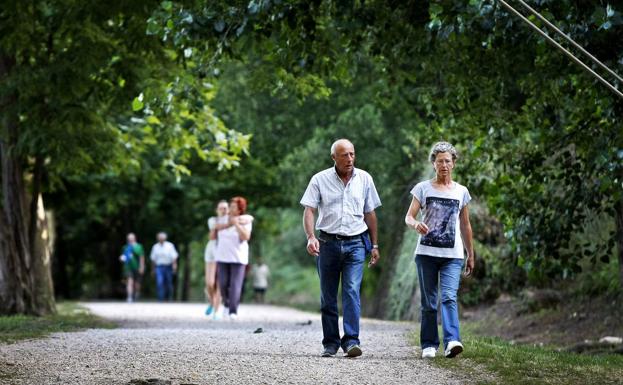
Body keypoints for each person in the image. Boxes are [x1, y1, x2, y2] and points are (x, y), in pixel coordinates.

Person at [300, 138, 381, 358]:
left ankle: (352, 341)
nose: (350, 159)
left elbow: (370, 213)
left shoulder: (364, 179)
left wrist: (374, 245)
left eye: (352, 154)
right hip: (327, 243)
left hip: (356, 243)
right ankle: (331, 343)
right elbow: (309, 210)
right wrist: (310, 237)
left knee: (351, 291)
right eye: (344, 155)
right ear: (334, 157)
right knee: (328, 296)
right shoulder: (319, 179)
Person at [404, 141, 475, 359]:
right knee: (428, 301)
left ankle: (452, 341)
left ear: (454, 163)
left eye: (447, 161)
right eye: (439, 161)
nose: (443, 165)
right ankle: (428, 344)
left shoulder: (461, 191)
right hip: (426, 254)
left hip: (452, 256)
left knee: (448, 297)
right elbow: (408, 216)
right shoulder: (422, 188)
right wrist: (416, 224)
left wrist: (470, 253)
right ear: (433, 164)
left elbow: (465, 225)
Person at [214, 197, 253, 320]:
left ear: (240, 209)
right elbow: (216, 226)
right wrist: (230, 222)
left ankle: (233, 311)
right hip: (222, 257)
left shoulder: (245, 220)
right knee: (223, 284)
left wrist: (236, 223)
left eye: (233, 207)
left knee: (235, 285)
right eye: (230, 206)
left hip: (238, 258)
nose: (230, 209)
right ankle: (226, 304)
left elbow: (246, 236)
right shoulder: (222, 218)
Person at [204, 200, 229, 319]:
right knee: (209, 283)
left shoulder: (232, 220)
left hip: (225, 251)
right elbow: (212, 236)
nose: (223, 210)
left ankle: (216, 311)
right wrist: (218, 226)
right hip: (212, 250)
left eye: (225, 208)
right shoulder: (212, 220)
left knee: (220, 283)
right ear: (217, 210)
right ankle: (211, 301)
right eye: (221, 208)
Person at [149, 232, 179, 301]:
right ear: (158, 238)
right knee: (159, 282)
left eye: (162, 238)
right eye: (160, 238)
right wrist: (153, 269)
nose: (161, 239)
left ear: (165, 238)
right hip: (159, 267)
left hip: (168, 266)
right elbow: (153, 259)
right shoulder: (155, 247)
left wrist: (174, 265)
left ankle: (169, 298)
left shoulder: (170, 245)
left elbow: (174, 257)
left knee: (168, 283)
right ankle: (160, 299)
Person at [119, 233, 145, 303]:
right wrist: (121, 259)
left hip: (137, 267)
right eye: (129, 238)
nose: (130, 239)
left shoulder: (139, 246)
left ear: (134, 238)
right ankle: (129, 297)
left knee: (137, 283)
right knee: (130, 282)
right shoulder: (125, 247)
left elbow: (141, 257)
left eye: (131, 238)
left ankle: (137, 294)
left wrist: (142, 267)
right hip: (128, 267)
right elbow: (123, 256)